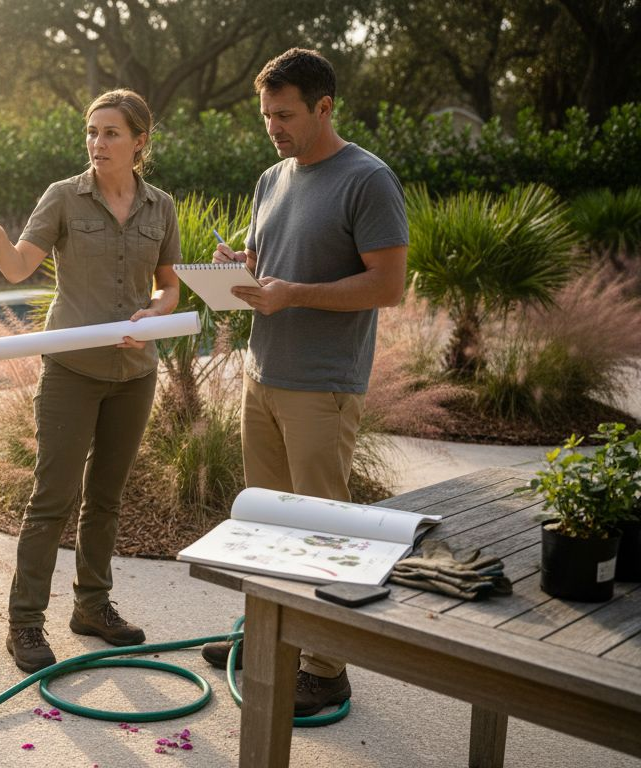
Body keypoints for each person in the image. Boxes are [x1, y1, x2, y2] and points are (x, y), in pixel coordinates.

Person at [202, 48, 409, 715]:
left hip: (323, 385)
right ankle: (268, 640)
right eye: (267, 115)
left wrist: (293, 293)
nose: (274, 127)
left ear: (325, 106)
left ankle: (326, 669)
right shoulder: (271, 179)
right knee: (265, 524)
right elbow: (270, 267)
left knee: (322, 529)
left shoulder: (367, 179)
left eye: (285, 115)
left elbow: (388, 284)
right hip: (262, 377)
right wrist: (238, 268)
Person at [0, 89, 181, 673]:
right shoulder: (62, 198)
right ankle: (25, 624)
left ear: (139, 142)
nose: (97, 143)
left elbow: (170, 286)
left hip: (135, 373)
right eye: (92, 132)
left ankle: (93, 608)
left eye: (111, 133)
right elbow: (21, 265)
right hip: (72, 372)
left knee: (107, 498)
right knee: (52, 499)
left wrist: (154, 315)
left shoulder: (162, 207)